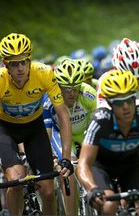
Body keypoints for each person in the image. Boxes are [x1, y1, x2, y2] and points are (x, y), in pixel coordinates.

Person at [0, 33, 74, 215]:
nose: (20, 68)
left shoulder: (44, 73)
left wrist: (66, 158)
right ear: (5, 64)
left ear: (30, 60)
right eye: (14, 63)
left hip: (34, 128)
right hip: (6, 130)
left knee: (48, 190)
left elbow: (63, 116)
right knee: (16, 181)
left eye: (24, 62)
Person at [77, 70, 139, 215]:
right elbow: (83, 164)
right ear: (110, 103)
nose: (126, 107)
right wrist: (92, 189)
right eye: (119, 103)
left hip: (129, 163)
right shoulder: (100, 120)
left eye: (129, 100)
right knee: (110, 205)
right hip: (101, 165)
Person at [43, 59, 97, 215]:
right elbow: (47, 132)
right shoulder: (49, 100)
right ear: (59, 87)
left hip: (84, 133)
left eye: (75, 88)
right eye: (67, 89)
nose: (72, 93)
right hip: (59, 134)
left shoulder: (88, 94)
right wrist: (52, 156)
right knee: (69, 171)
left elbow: (97, 125)